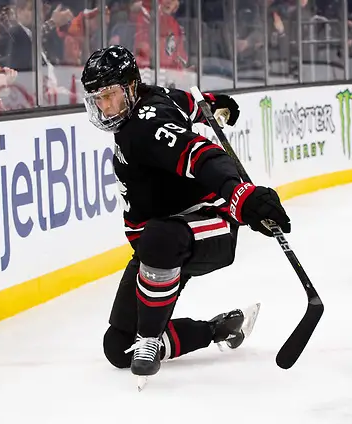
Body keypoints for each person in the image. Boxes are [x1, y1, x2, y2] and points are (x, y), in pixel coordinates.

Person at [80, 45, 291, 385]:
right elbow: (187, 102)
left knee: (159, 237)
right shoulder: (153, 98)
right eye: (97, 98)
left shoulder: (144, 128)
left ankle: (150, 340)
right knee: (118, 347)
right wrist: (214, 102)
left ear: (131, 87)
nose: (104, 106)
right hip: (161, 242)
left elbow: (203, 155)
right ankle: (218, 329)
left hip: (210, 225)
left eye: (109, 95)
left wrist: (240, 195)